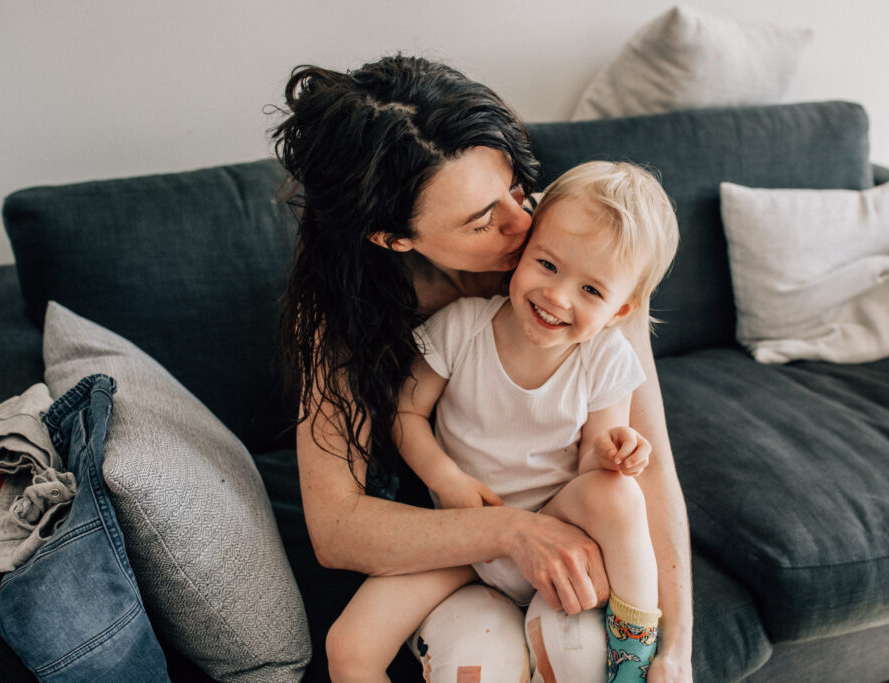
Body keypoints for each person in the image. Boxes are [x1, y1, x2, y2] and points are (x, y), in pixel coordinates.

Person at [273, 55, 694, 682]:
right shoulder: (345, 314)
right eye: (481, 219)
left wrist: (676, 650)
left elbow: (646, 460)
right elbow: (336, 529)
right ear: (393, 238)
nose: (524, 225)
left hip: (560, 501)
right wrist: (508, 531)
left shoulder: (582, 239)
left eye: (515, 190)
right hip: (441, 526)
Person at [328, 161, 679, 683]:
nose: (558, 297)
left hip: (560, 526)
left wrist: (615, 452)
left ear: (620, 310)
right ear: (525, 249)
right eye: (548, 265)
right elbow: (404, 414)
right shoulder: (463, 327)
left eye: (591, 291)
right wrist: (445, 479)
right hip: (466, 538)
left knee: (619, 493)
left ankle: (633, 659)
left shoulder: (605, 358)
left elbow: (592, 464)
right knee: (349, 646)